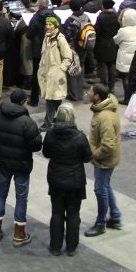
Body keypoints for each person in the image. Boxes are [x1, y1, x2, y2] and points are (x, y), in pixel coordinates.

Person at [0, 88, 43, 247]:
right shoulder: (27, 122)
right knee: (21, 197)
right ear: (22, 102)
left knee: (1, 193)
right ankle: (19, 234)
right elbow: (36, 145)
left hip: (3, 163)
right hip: (21, 165)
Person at [41, 103, 93, 256]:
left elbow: (46, 153)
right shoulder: (80, 136)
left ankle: (55, 247)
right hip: (75, 182)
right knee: (73, 214)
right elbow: (87, 157)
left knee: (56, 213)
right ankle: (71, 247)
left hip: (56, 179)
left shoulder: (51, 134)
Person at [85, 83, 121, 237]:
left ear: (97, 96)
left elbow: (107, 145)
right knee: (106, 186)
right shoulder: (102, 110)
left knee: (100, 190)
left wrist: (94, 155)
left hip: (104, 161)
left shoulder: (104, 117)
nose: (88, 93)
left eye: (91, 91)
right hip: (107, 159)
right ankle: (115, 215)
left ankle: (101, 223)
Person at [38, 16, 73, 131]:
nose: (48, 27)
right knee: (55, 100)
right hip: (47, 73)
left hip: (56, 75)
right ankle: (65, 120)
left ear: (55, 26)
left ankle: (47, 123)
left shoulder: (60, 39)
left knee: (51, 100)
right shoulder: (46, 38)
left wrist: (61, 69)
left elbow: (68, 57)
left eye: (50, 25)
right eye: (47, 24)